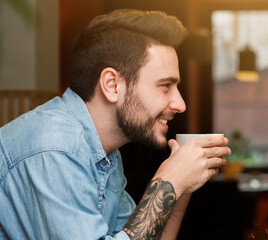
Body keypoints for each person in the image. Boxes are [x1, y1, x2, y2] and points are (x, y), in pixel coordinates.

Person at [0, 9, 230, 239]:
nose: (180, 104)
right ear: (112, 85)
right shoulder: (57, 147)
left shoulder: (105, 154)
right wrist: (168, 182)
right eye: (165, 86)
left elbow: (146, 236)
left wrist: (180, 188)